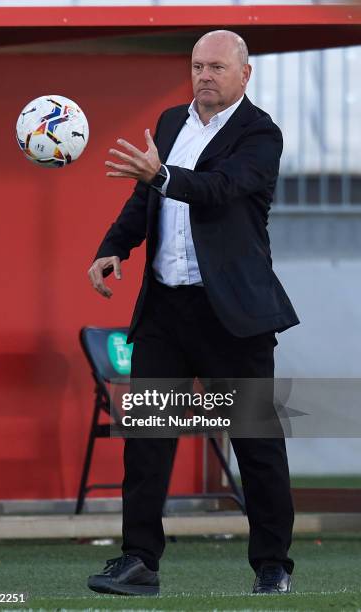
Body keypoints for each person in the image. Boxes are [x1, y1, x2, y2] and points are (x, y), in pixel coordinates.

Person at [87, 30, 299, 596]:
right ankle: (139, 562)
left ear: (244, 75)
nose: (204, 76)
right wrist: (114, 247)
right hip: (165, 309)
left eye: (216, 68)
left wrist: (160, 174)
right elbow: (144, 197)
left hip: (233, 313)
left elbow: (220, 189)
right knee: (148, 439)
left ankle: (272, 564)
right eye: (197, 66)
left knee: (255, 441)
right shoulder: (169, 122)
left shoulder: (260, 133)